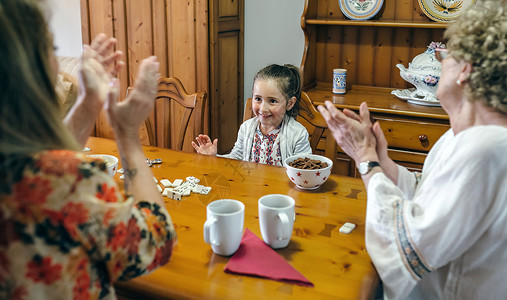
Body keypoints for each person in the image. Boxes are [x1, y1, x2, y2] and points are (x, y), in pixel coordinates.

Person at [317, 1, 507, 299]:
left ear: (466, 69)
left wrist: (366, 161)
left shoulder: (487, 149)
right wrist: (381, 160)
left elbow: (409, 245)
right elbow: (428, 194)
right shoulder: (464, 136)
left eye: (445, 55)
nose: (440, 61)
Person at [0, 0, 176, 299]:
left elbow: (37, 166)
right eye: (52, 49)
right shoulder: (70, 181)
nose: (57, 63)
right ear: (28, 72)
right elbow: (154, 240)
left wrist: (90, 101)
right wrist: (128, 133)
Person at [192, 64, 311, 166]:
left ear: (289, 104)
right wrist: (214, 157)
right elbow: (236, 159)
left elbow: (304, 168)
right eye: (258, 99)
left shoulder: (298, 134)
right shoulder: (246, 128)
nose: (263, 108)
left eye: (272, 101)